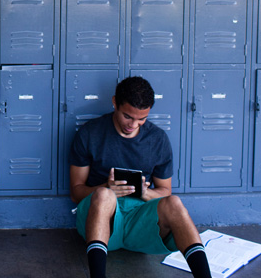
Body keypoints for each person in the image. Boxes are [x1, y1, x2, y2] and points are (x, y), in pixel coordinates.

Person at [69, 77, 211, 278]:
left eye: (141, 119)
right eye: (128, 116)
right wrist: (107, 187)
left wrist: (145, 192)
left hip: (141, 222)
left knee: (175, 203)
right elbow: (76, 192)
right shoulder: (90, 133)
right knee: (103, 195)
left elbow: (165, 191)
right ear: (114, 103)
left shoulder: (157, 139)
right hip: (101, 220)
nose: (133, 124)